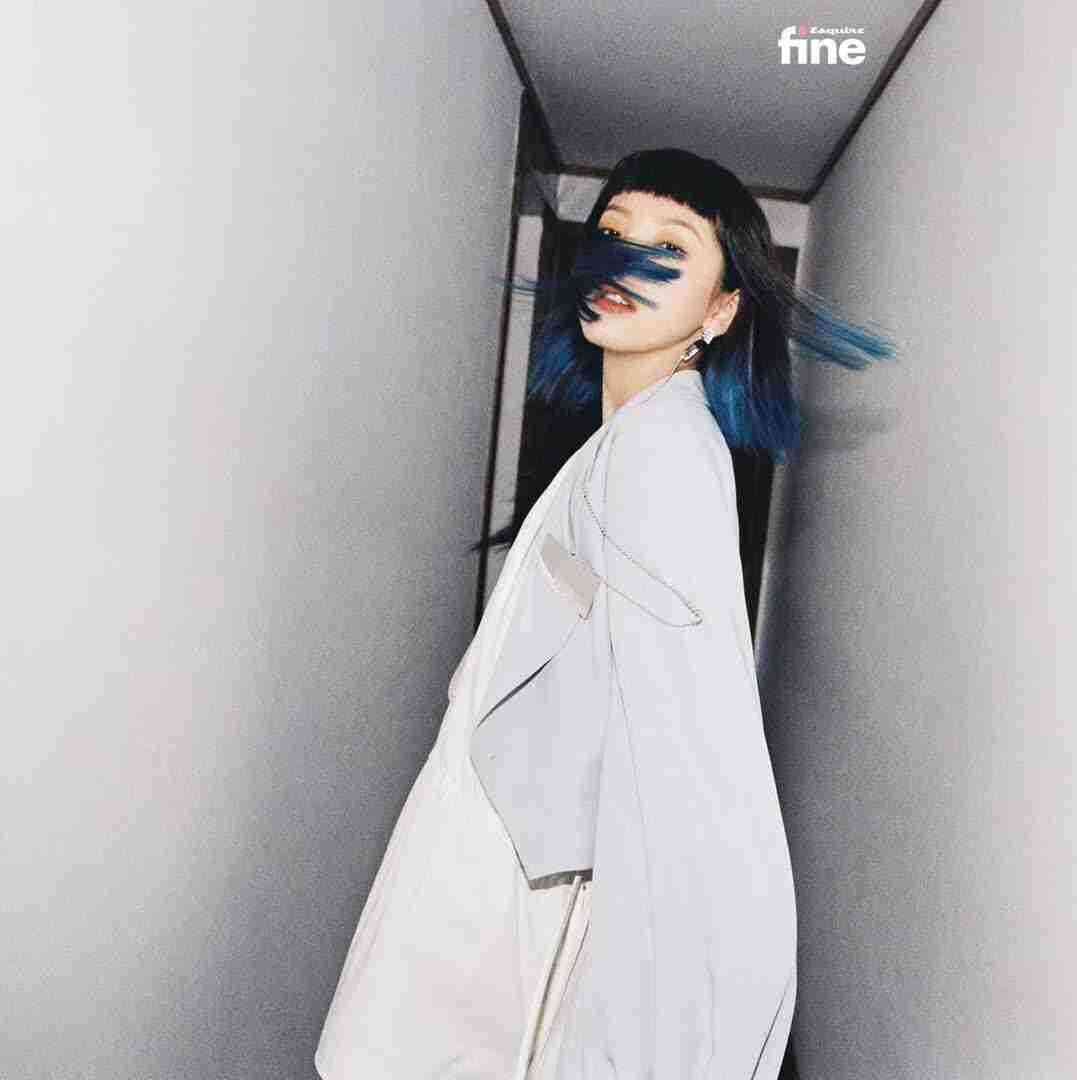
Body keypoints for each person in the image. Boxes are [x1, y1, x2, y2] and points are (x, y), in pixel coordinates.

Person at [314, 147, 895, 1079]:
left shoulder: (663, 456)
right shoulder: (625, 443)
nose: (626, 262)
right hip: (503, 848)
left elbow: (689, 754)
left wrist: (679, 1024)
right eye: (613, 233)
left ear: (721, 309)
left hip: (521, 878)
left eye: (670, 248)